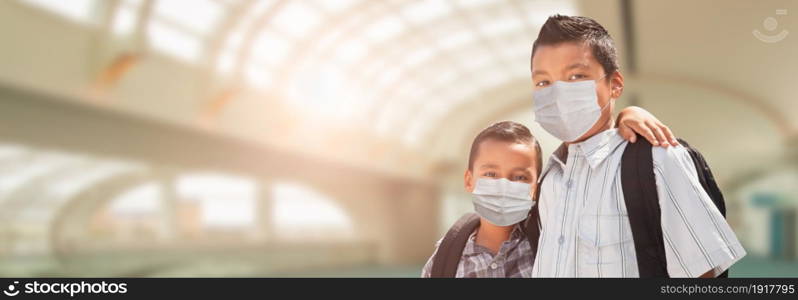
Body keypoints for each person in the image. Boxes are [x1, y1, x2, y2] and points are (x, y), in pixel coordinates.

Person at [529, 14, 745, 277]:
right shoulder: (549, 180)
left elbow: (702, 275)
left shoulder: (657, 160)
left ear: (615, 85)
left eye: (576, 76)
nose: (559, 93)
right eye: (543, 82)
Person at [420, 110, 676, 277]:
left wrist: (626, 116)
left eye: (520, 177)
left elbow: (590, 167)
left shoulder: (552, 241)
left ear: (536, 188)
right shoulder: (447, 257)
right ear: (469, 180)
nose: (505, 184)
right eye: (490, 174)